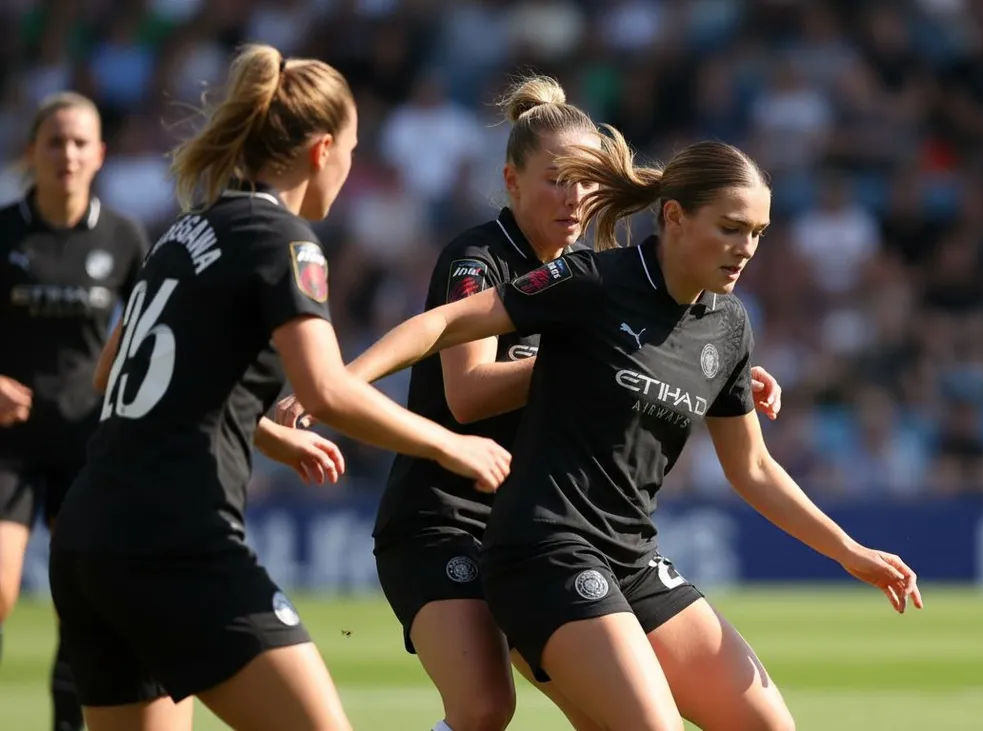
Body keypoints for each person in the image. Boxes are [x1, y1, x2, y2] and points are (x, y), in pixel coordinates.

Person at [330, 127, 924, 731]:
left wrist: (848, 551)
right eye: (730, 228)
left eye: (758, 233)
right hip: (543, 549)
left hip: (632, 555)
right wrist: (336, 383)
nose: (746, 248)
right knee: (519, 712)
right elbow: (445, 326)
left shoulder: (729, 326)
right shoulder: (592, 281)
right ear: (675, 217)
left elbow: (753, 468)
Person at [275, 74, 782, 731]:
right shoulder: (478, 259)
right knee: (484, 706)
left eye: (586, 181)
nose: (575, 198)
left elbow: (644, 353)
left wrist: (689, 368)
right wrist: (600, 360)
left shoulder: (593, 272)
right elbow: (466, 393)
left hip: (541, 524)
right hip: (444, 515)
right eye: (556, 180)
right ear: (512, 182)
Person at [46, 43, 510, 731]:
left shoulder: (185, 231)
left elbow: (112, 369)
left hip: (87, 538)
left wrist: (258, 430)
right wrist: (450, 444)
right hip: (174, 537)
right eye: (351, 151)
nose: (350, 170)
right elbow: (324, 391)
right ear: (322, 151)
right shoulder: (282, 238)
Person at [0, 92, 151, 731]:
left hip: (87, 443)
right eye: (55, 141)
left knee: (83, 598)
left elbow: (150, 334)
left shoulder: (123, 237)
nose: (67, 154)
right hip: (6, 443)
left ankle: (68, 724)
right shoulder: (4, 232)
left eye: (80, 142)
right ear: (31, 151)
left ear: (100, 154)